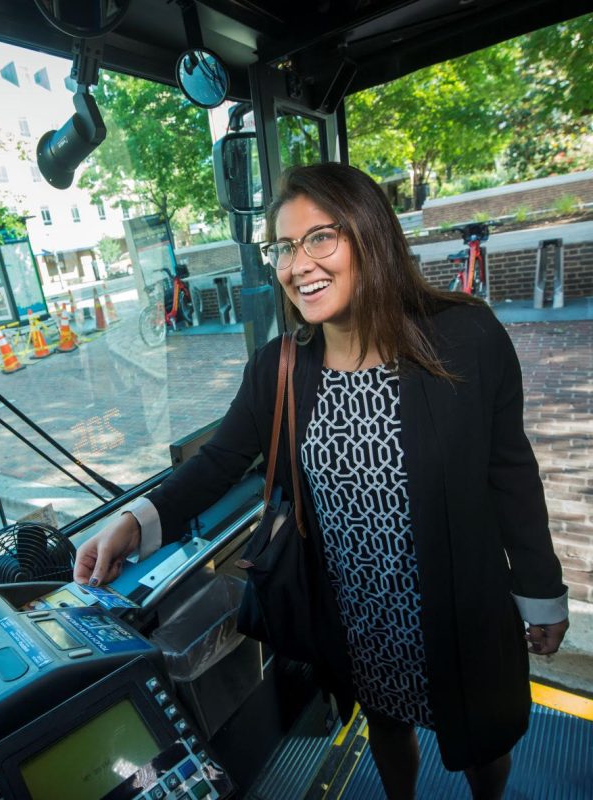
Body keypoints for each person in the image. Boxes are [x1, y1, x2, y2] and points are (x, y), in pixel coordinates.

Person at [73, 162, 569, 799]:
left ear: (371, 235)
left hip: (460, 609)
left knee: (482, 742)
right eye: (282, 246)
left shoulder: (467, 337)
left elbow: (512, 474)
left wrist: (539, 590)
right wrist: (131, 523)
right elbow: (217, 464)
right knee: (384, 726)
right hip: (355, 616)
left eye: (319, 238)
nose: (296, 263)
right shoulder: (278, 369)